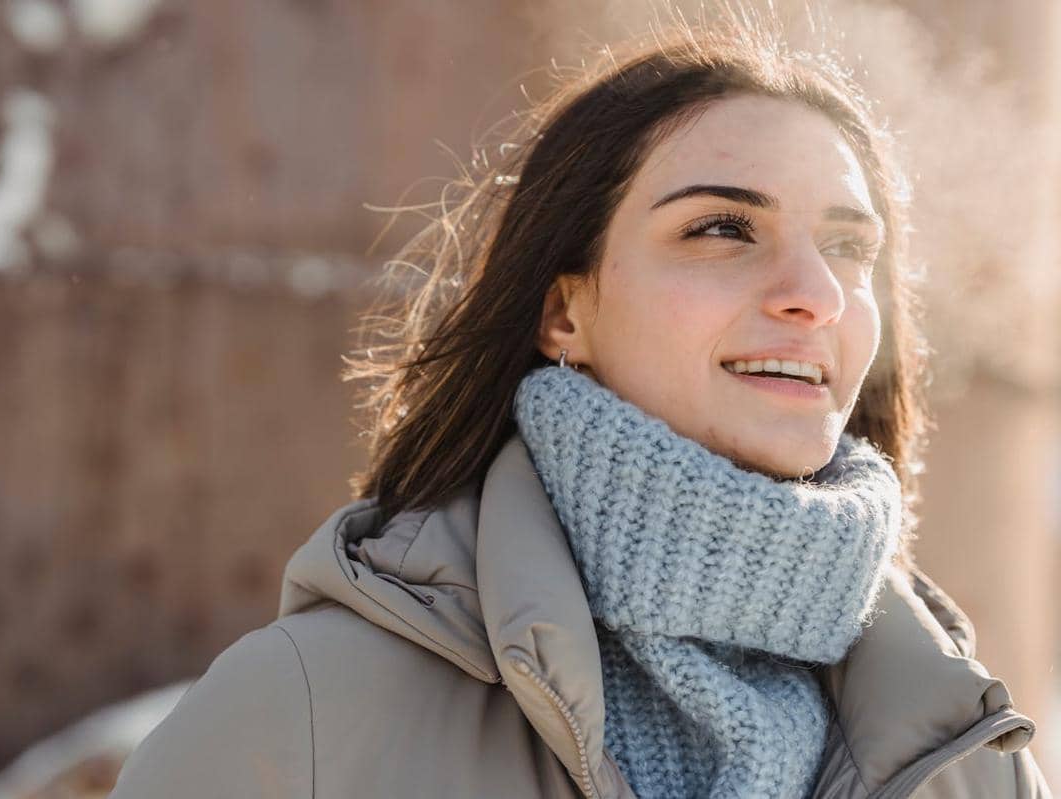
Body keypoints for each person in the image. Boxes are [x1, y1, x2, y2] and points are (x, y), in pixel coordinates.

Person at [108, 11, 1053, 799]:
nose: (817, 292)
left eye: (850, 246)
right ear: (566, 308)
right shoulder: (308, 717)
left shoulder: (973, 764)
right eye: (722, 227)